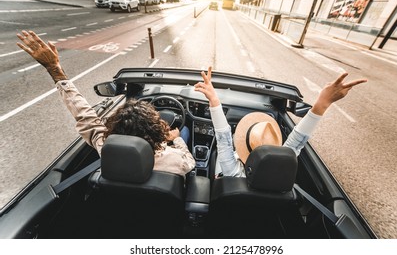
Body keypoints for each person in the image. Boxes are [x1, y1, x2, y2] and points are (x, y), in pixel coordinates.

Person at [16, 30, 195, 177]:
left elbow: (83, 114)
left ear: (115, 130)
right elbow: (191, 163)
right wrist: (176, 139)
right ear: (157, 132)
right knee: (184, 131)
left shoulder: (106, 146)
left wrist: (54, 69)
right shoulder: (176, 160)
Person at [194, 67, 367, 177]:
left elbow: (223, 138)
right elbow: (297, 141)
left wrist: (214, 100)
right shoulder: (280, 174)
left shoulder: (231, 172)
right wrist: (323, 103)